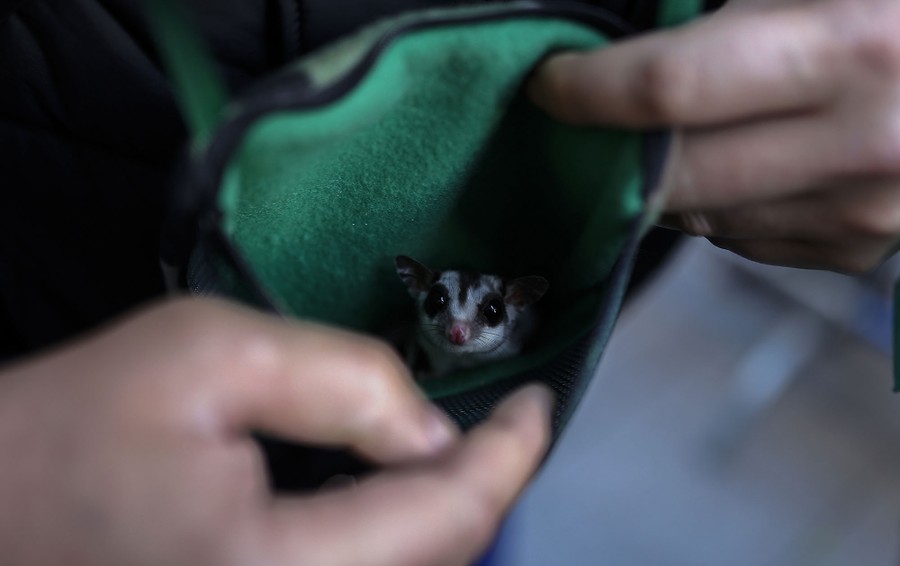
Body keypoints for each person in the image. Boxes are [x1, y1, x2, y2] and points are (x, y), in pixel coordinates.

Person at [3, 0, 900, 564]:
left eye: (474, 311)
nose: (462, 324)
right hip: (61, 344)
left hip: (480, 431)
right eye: (445, 306)